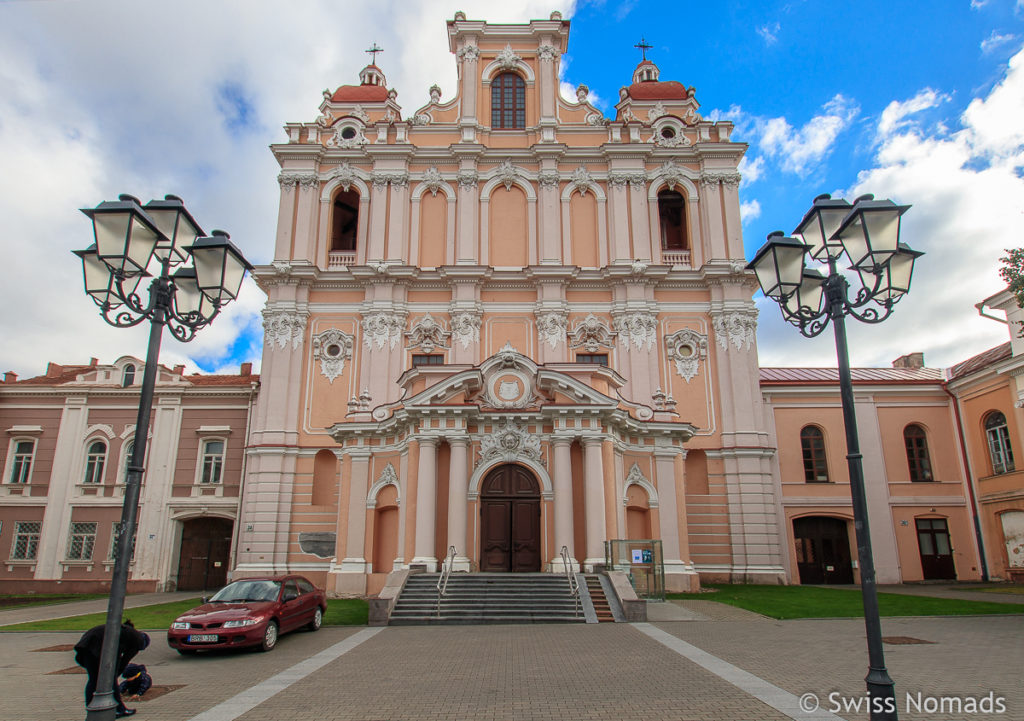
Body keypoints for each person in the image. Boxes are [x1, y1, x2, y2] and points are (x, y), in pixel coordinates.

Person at [74, 619, 150, 718]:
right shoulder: (137, 640)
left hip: (87, 645)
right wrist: (113, 677)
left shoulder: (126, 632)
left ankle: (91, 707)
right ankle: (120, 709)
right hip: (95, 648)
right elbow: (124, 662)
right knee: (101, 680)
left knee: (93, 679)